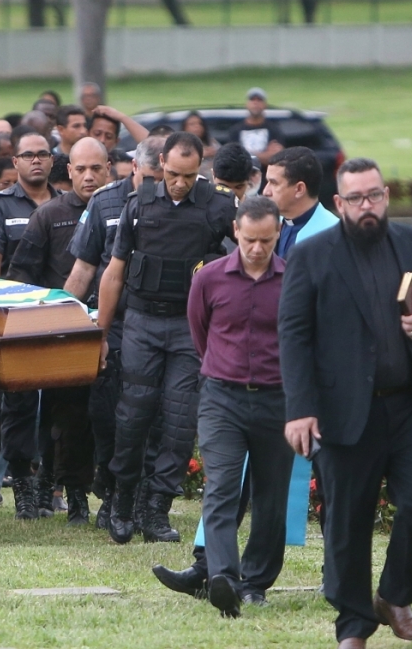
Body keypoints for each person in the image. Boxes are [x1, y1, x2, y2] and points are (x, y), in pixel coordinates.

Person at [280, 158, 412, 649]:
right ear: (339, 203)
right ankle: (353, 626)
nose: (367, 206)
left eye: (374, 195)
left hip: (408, 406)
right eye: (355, 198)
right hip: (343, 411)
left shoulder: (410, 242)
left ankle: (395, 597)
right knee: (348, 523)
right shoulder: (312, 256)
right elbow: (292, 335)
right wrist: (300, 408)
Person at [96, 131, 237, 544]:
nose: (179, 183)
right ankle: (122, 503)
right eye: (173, 174)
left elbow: (243, 263)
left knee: (179, 421)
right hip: (141, 321)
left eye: (189, 176)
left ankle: (156, 510)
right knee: (133, 416)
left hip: (188, 327)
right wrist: (100, 334)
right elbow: (114, 272)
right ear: (161, 165)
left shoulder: (219, 207)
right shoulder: (139, 203)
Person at [175, 195, 291, 618]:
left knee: (272, 496)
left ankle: (257, 582)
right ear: (236, 233)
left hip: (278, 399)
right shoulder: (209, 279)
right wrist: (224, 367)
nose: (257, 249)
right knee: (222, 487)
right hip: (222, 397)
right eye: (249, 240)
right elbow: (199, 332)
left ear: (278, 233)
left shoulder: (293, 279)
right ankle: (224, 577)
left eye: (265, 240)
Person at [6, 138, 109, 522]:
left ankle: (87, 492)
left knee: (91, 417)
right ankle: (58, 488)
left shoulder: (120, 209)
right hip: (58, 332)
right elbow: (21, 273)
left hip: (112, 326)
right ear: (69, 171)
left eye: (96, 169)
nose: (89, 176)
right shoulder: (49, 215)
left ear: (109, 168)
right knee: (60, 416)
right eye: (81, 169)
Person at [65, 135, 165, 528]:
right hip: (113, 327)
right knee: (107, 417)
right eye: (152, 177)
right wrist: (65, 325)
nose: (160, 185)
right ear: (134, 168)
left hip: (160, 326)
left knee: (156, 420)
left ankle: (144, 502)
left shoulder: (183, 204)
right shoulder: (105, 202)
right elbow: (83, 271)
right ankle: (110, 490)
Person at [0, 131, 59, 520]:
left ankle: (51, 485)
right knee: (18, 406)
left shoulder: (66, 203)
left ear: (53, 161)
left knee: (59, 407)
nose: (36, 160)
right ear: (16, 161)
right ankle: (22, 484)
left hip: (59, 319)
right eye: (28, 155)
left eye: (43, 154)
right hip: (16, 320)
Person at [265, 146, 340, 259]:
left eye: (274, 183)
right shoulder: (268, 225)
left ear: (299, 189)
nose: (266, 191)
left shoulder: (335, 236)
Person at [228, 88, 282, 161]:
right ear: (246, 104)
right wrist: (264, 155)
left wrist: (245, 155)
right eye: (252, 99)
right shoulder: (235, 130)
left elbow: (276, 159)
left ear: (265, 105)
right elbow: (233, 158)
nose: (255, 103)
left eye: (259, 100)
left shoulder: (274, 130)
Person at [183, 112, 220, 177]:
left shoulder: (211, 142)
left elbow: (224, 156)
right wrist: (200, 155)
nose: (197, 126)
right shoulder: (180, 146)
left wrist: (216, 153)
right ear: (185, 128)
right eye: (192, 124)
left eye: (200, 124)